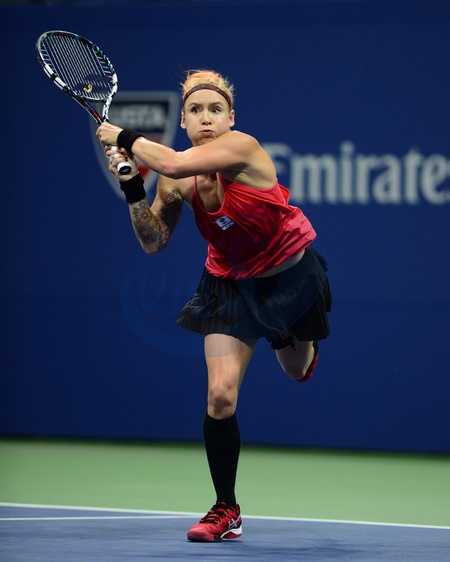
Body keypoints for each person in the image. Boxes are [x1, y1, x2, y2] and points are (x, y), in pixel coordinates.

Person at [97, 69, 332, 543]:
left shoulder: (242, 148)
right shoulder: (175, 178)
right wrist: (131, 184)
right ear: (183, 121)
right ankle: (227, 507)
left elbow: (171, 161)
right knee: (220, 396)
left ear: (231, 118)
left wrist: (120, 135)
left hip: (288, 277)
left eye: (215, 110)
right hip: (229, 284)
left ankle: (295, 340)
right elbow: (153, 241)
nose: (206, 118)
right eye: (196, 111)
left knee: (296, 370)